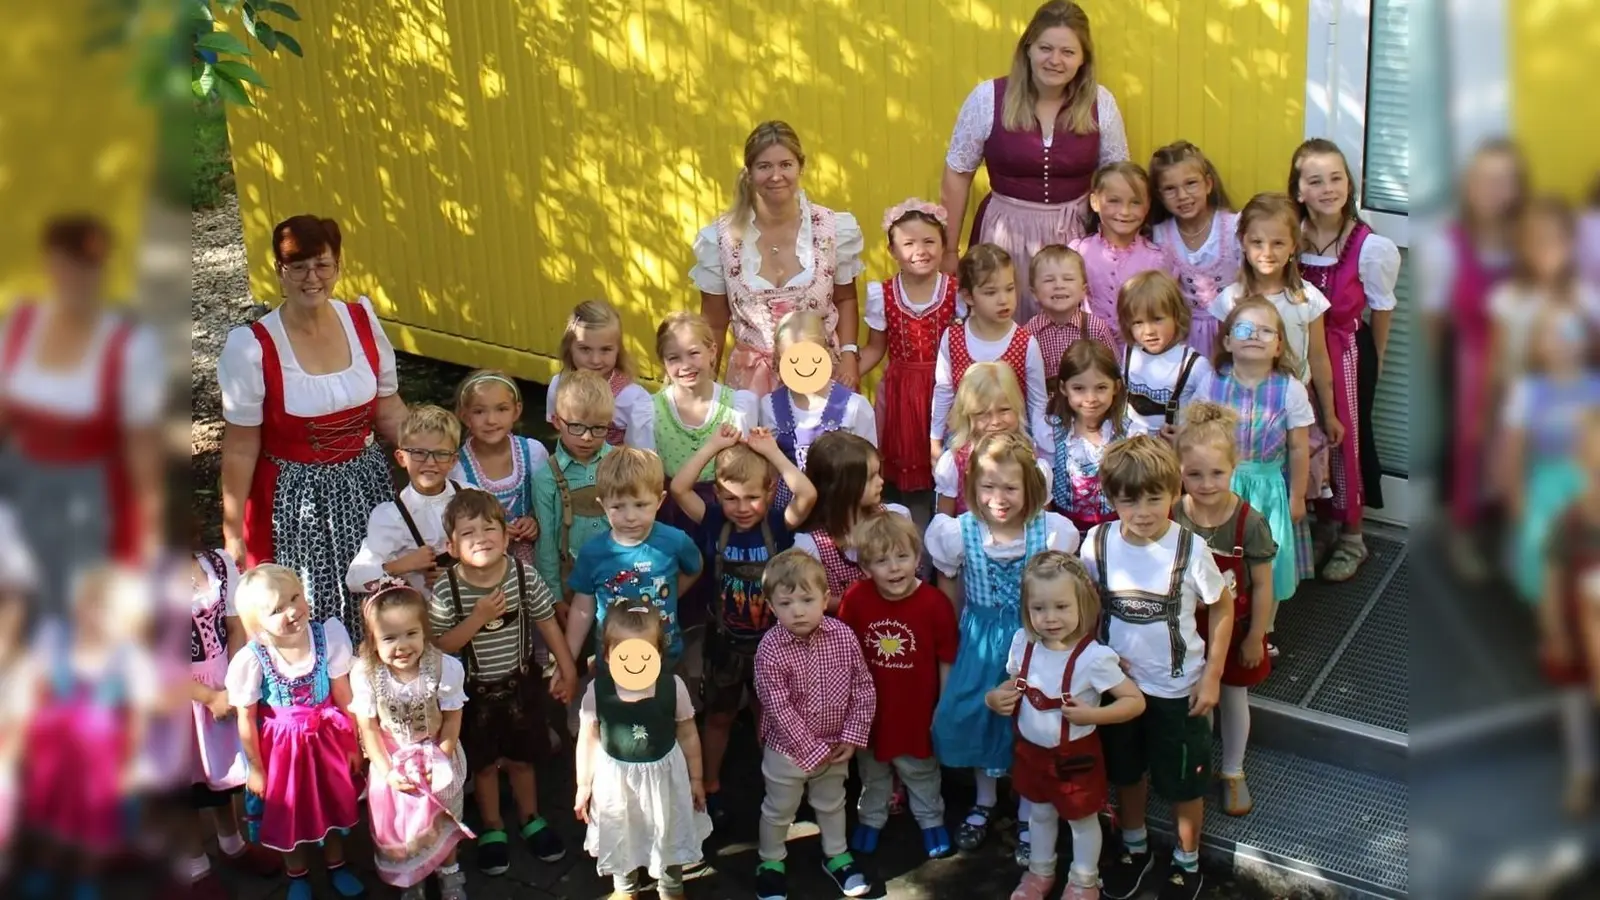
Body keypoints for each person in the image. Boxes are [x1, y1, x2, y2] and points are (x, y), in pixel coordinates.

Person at [218, 215, 407, 640]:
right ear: (279, 271)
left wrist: (434, 462)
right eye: (298, 267)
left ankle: (375, 674)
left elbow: (389, 409)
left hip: (367, 489)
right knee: (304, 606)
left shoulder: (361, 321)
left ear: (338, 265)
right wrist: (232, 531)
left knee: (379, 594)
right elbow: (240, 447)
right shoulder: (252, 346)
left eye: (322, 265)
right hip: (294, 504)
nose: (312, 277)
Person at [1080, 437, 1231, 900]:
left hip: (1177, 690)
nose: (1143, 512)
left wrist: (1212, 676)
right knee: (1125, 770)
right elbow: (1087, 607)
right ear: (1111, 498)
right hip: (1119, 689)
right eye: (1129, 500)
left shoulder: (1190, 550)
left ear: (1173, 492)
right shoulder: (1098, 543)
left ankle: (1187, 860)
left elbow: (1222, 607)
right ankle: (1134, 847)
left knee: (1184, 780)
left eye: (1154, 498)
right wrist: (1095, 654)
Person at [0, 216, 165, 616]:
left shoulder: (130, 345)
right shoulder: (20, 325)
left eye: (87, 267)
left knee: (68, 610)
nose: (75, 277)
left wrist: (151, 533)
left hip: (88, 496)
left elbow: (142, 447)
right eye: (65, 264)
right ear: (49, 265)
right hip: (17, 485)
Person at [927, 432, 1079, 855]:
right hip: (979, 641)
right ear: (972, 488)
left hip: (1035, 642)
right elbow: (948, 588)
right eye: (988, 487)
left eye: (1011, 487)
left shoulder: (1049, 532)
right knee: (982, 717)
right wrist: (952, 640)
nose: (999, 498)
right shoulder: (960, 533)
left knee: (1031, 724)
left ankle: (1029, 812)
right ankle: (985, 800)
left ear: (1030, 488)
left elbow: (1066, 589)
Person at [940, 0, 1130, 323]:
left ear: (1083, 58)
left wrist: (1117, 250)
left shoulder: (1101, 103)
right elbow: (958, 174)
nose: (1055, 60)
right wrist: (949, 250)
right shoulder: (988, 98)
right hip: (1003, 235)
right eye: (1045, 48)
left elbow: (1117, 180)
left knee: (1069, 335)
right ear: (1027, 48)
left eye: (1068, 52)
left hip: (1074, 239)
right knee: (999, 328)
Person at [668, 423, 816, 819]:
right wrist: (713, 445)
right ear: (717, 495)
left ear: (770, 492)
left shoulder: (778, 525)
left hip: (774, 645)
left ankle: (777, 782)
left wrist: (771, 453)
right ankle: (709, 783)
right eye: (731, 497)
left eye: (752, 497)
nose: (742, 507)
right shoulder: (715, 521)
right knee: (718, 716)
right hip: (726, 643)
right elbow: (679, 488)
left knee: (771, 714)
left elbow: (807, 494)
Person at [429, 489, 578, 876]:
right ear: (451, 546)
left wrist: (568, 669)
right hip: (474, 694)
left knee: (522, 758)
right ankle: (493, 825)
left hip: (519, 686)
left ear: (506, 536)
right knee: (484, 764)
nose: (480, 538)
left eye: (489, 528)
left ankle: (530, 817)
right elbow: (442, 645)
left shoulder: (522, 575)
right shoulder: (447, 588)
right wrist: (477, 618)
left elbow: (547, 622)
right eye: (468, 532)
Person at [985, 552, 1145, 900]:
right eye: (1039, 608)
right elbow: (1013, 683)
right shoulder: (1024, 644)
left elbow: (1134, 701)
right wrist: (994, 697)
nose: (1050, 617)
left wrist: (1094, 716)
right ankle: (1039, 872)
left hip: (1075, 759)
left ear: (1081, 604)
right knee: (1039, 814)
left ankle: (1084, 880)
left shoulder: (1093, 658)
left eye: (1061, 606)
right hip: (1031, 755)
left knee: (1082, 820)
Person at [1291, 140, 1404, 582]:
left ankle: (1353, 536)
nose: (1328, 188)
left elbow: (1381, 309)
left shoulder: (1368, 245)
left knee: (1347, 441)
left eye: (1336, 178)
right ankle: (1324, 525)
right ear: (1298, 190)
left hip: (1347, 354)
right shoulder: (1291, 235)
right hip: (1299, 354)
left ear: (1349, 184)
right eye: (1315, 180)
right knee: (1309, 436)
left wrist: (1376, 361)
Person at [693, 121, 865, 394]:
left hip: (820, 376)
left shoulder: (832, 228)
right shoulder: (721, 239)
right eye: (764, 166)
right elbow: (714, 323)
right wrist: (704, 388)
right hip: (751, 386)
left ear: (800, 167)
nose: (776, 176)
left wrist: (849, 355)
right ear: (749, 172)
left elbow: (845, 299)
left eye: (785, 165)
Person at [227, 564, 365, 900]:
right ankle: (297, 874)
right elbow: (246, 718)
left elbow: (342, 693)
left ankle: (336, 864)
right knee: (287, 810)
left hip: (327, 742)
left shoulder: (327, 637)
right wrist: (255, 767)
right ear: (256, 623)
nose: (292, 611)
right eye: (276, 610)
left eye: (294, 597)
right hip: (282, 752)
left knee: (332, 802)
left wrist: (353, 742)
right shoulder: (253, 659)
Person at [1418, 140, 1524, 575]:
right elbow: (1434, 319)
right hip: (1471, 361)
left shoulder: (1524, 239)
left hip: (1526, 358)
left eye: (1505, 180)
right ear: (1469, 185)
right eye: (1486, 179)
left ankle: (1522, 537)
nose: (1495, 190)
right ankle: (1464, 533)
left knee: (1520, 444)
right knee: (1470, 447)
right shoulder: (1447, 245)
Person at [752, 550, 877, 900]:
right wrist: (810, 749)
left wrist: (852, 735)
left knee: (832, 802)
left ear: (825, 599)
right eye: (786, 603)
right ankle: (770, 860)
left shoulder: (843, 637)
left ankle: (836, 855)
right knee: (779, 809)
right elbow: (777, 706)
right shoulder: (770, 649)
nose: (798, 611)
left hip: (836, 745)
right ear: (772, 607)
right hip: (787, 750)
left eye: (807, 600)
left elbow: (863, 687)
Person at [1172, 403, 1277, 816]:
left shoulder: (1249, 522)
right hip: (1187, 628)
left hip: (1235, 632)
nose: (1206, 484)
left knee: (1233, 697)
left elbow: (1263, 584)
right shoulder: (1174, 514)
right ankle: (1199, 767)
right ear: (1179, 470)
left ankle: (1233, 770)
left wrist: (1256, 635)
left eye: (1217, 473)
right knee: (1197, 700)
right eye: (1194, 474)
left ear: (1234, 467)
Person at [837, 512, 958, 860]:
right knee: (872, 770)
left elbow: (946, 659)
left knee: (921, 771)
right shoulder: (856, 599)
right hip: (870, 712)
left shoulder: (934, 603)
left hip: (916, 710)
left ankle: (931, 819)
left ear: (917, 558)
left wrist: (943, 707)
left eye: (902, 556)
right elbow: (844, 654)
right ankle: (870, 818)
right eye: (881, 560)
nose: (894, 568)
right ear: (865, 567)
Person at [574, 603, 712, 900]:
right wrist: (583, 784)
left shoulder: (673, 687)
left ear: (659, 653)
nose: (634, 662)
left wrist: (696, 779)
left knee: (668, 827)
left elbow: (688, 733)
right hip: (616, 781)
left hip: (664, 779)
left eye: (644, 653)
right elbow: (588, 738)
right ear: (608, 655)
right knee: (619, 827)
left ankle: (671, 886)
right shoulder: (597, 692)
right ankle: (625, 887)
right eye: (624, 654)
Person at [351, 582, 471, 899]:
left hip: (436, 754)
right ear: (373, 640)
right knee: (405, 826)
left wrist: (441, 757)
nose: (402, 646)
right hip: (392, 760)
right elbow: (369, 728)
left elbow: (452, 718)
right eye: (389, 638)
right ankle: (413, 875)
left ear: (424, 631)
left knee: (443, 817)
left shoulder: (443, 667)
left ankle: (449, 873)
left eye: (411, 634)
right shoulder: (365, 674)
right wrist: (387, 771)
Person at [1201, 300, 1315, 598]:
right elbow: (1195, 436)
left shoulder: (1290, 390)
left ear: (1278, 346)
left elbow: (1298, 448)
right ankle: (1228, 615)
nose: (1254, 335)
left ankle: (1264, 621)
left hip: (1268, 490)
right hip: (1220, 485)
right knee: (1220, 558)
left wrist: (1297, 497)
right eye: (1243, 329)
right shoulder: (1212, 382)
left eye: (1265, 331)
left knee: (1268, 561)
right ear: (1228, 341)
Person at [860, 199, 964, 493]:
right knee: (904, 455)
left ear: (944, 245)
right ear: (892, 251)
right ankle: (908, 507)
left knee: (948, 459)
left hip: (946, 387)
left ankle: (947, 505)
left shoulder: (956, 292)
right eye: (908, 244)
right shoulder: (882, 294)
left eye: (929, 241)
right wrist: (844, 374)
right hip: (902, 389)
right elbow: (875, 348)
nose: (920, 250)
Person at [565, 448, 704, 667]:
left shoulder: (676, 542)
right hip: (613, 664)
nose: (630, 517)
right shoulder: (592, 553)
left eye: (640, 505)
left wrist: (672, 592)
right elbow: (582, 609)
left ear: (659, 500)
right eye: (618, 507)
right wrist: (567, 663)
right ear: (602, 505)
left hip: (665, 660)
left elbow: (695, 567)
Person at [1500, 312, 1600, 605]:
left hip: (1590, 479)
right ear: (1539, 344)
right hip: (1545, 484)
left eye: (1570, 333)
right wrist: (1518, 504)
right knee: (1541, 539)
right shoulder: (1527, 391)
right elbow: (1512, 453)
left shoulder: (1596, 387)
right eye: (1553, 335)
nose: (1563, 343)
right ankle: (1551, 609)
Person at [185, 546, 262, 889]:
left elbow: (234, 627)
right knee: (185, 782)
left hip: (222, 684)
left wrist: (233, 683)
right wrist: (207, 697)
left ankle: (231, 843)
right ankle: (193, 863)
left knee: (219, 770)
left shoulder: (216, 563)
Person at [931, 244, 1051, 459]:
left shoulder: (1026, 343)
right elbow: (944, 391)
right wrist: (935, 439)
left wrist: (1042, 453)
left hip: (1011, 450)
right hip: (965, 445)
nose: (1003, 299)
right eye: (991, 292)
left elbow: (1037, 403)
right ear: (968, 297)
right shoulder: (953, 338)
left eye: (1009, 289)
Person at [1538, 409, 1600, 814]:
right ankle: (1582, 771)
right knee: (1576, 704)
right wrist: (1556, 633)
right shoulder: (1569, 523)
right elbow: (1552, 583)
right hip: (1577, 636)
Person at [346, 405, 463, 598]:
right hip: (419, 611)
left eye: (441, 454)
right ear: (401, 458)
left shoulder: (470, 496)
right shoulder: (389, 516)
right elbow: (356, 579)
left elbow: (498, 554)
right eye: (419, 453)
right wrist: (401, 565)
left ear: (453, 460)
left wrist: (461, 575)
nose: (430, 462)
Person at [792, 431, 913, 606]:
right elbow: (809, 598)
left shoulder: (896, 518)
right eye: (871, 477)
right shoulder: (812, 545)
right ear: (843, 486)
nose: (881, 481)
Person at [534, 370, 619, 605]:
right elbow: (546, 543)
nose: (586, 437)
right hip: (571, 581)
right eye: (577, 427)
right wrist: (554, 596)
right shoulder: (546, 477)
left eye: (598, 428)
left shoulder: (619, 463)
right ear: (557, 421)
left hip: (619, 573)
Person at [449, 370, 548, 568]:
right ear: (464, 416)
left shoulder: (533, 452)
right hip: (483, 563)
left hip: (533, 560)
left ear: (516, 411)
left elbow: (548, 503)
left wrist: (535, 521)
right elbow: (455, 522)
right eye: (479, 412)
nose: (491, 420)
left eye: (502, 409)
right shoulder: (458, 467)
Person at [1148, 141, 1240, 357]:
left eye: (1190, 183)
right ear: (1159, 195)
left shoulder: (1233, 228)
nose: (1182, 195)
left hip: (1233, 333)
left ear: (1208, 184)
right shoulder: (1160, 235)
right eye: (1170, 189)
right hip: (1185, 338)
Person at [759, 310, 877, 474]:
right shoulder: (770, 406)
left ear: (826, 352)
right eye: (793, 360)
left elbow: (869, 467)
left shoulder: (855, 407)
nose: (804, 367)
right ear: (779, 360)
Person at [935, 362, 1054, 517]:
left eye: (1004, 410)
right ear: (968, 415)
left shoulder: (1032, 461)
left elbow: (1044, 518)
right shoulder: (955, 463)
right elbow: (944, 519)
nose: (995, 421)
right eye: (982, 413)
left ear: (1017, 408)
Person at [1070, 161, 1169, 338]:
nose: (1124, 211)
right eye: (1114, 201)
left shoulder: (1158, 260)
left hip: (1140, 350)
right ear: (1094, 202)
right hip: (1090, 349)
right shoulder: (1077, 253)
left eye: (1135, 202)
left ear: (1147, 205)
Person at [1045, 339, 1129, 536]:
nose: (1090, 398)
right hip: (1065, 529)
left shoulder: (1128, 432)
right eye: (1079, 388)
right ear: (1064, 388)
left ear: (1116, 387)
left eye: (1101, 387)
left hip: (1113, 531)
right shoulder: (1052, 431)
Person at [543, 299, 653, 447]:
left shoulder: (630, 397)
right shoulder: (559, 385)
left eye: (605, 349)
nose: (595, 360)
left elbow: (640, 451)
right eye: (585, 349)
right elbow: (558, 429)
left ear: (618, 350)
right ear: (570, 348)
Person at [1119, 271, 1212, 439]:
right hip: (1131, 446)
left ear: (1177, 316)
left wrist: (1187, 435)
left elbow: (1209, 418)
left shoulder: (1194, 365)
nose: (1148, 331)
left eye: (1157, 319)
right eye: (1138, 322)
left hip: (1171, 450)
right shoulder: (1130, 353)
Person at [1024, 244, 1117, 394]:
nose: (1059, 285)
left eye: (1068, 279)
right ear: (1034, 293)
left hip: (1088, 401)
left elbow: (1114, 371)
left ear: (1083, 290)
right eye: (1049, 280)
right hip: (1045, 404)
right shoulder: (1030, 333)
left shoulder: (1095, 328)